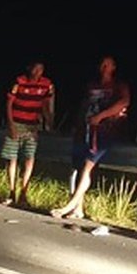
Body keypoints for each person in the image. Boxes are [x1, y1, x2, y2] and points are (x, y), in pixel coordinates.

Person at [51, 55, 131, 219]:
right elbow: (84, 105)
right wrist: (77, 124)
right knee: (78, 167)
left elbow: (124, 102)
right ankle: (78, 208)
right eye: (102, 63)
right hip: (85, 129)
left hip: (104, 131)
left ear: (113, 67)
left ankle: (70, 205)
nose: (104, 67)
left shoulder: (119, 86)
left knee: (88, 166)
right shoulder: (92, 85)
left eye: (107, 64)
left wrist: (101, 116)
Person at [0, 61, 54, 206]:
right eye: (35, 69)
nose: (37, 72)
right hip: (17, 122)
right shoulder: (19, 82)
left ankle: (24, 192)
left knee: (29, 158)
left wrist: (48, 121)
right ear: (29, 68)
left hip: (32, 126)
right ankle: (12, 192)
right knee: (12, 157)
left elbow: (46, 104)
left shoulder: (46, 84)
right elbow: (9, 103)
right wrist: (11, 124)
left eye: (41, 69)